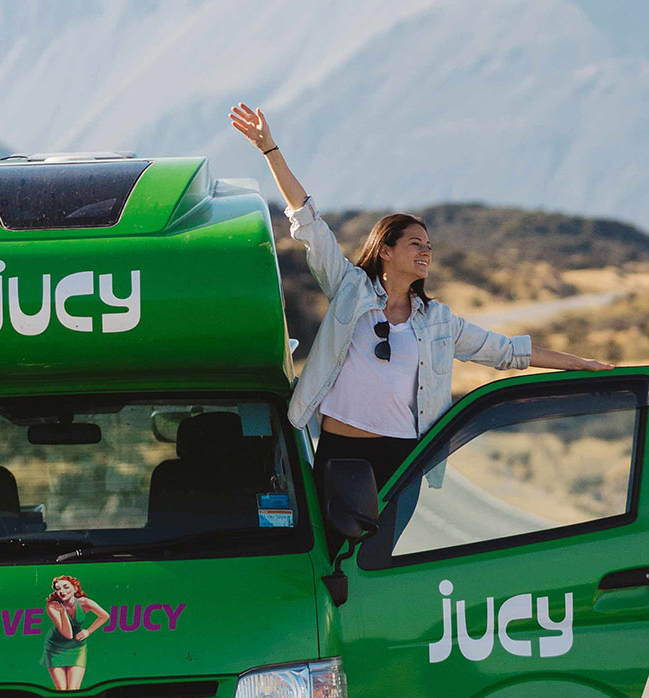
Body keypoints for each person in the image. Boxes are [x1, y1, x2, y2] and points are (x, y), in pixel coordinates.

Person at [228, 102, 614, 493]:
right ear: (386, 250)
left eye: (428, 246)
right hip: (343, 452)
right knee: (337, 535)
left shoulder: (439, 321)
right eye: (415, 243)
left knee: (381, 539)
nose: (426, 251)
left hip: (402, 460)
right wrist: (269, 149)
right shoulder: (349, 288)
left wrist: (578, 363)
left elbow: (507, 351)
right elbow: (307, 219)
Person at [43, 573, 109, 692]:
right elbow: (67, 634)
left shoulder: (85, 602)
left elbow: (104, 616)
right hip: (55, 647)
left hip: (77, 646)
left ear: (75, 588)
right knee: (61, 689)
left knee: (74, 689)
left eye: (66, 587)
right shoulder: (53, 606)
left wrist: (88, 631)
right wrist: (63, 613)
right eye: (58, 589)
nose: (62, 591)